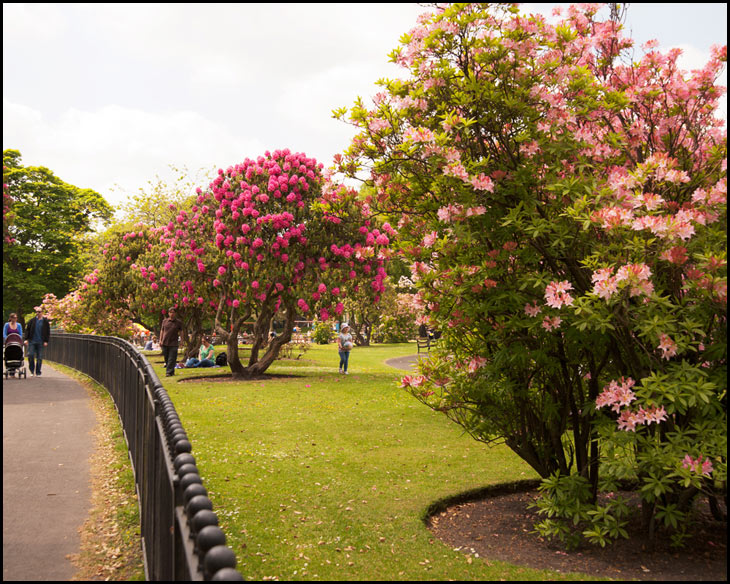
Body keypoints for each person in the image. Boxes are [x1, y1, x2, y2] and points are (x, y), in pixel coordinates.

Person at [24, 308, 50, 377]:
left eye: (39, 312)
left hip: (40, 341)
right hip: (32, 341)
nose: (38, 313)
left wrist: (46, 341)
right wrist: (26, 339)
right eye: (37, 312)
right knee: (30, 355)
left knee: (39, 357)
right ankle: (32, 371)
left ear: (42, 312)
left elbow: (47, 332)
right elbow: (27, 330)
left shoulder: (45, 321)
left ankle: (38, 372)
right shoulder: (32, 321)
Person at [159, 307, 184, 377]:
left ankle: (168, 372)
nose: (172, 314)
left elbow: (181, 332)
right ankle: (171, 371)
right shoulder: (164, 321)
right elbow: (162, 331)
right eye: (170, 312)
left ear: (175, 313)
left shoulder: (178, 322)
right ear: (168, 313)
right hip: (165, 342)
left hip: (174, 343)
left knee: (172, 358)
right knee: (166, 358)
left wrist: (182, 341)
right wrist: (160, 340)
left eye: (173, 312)